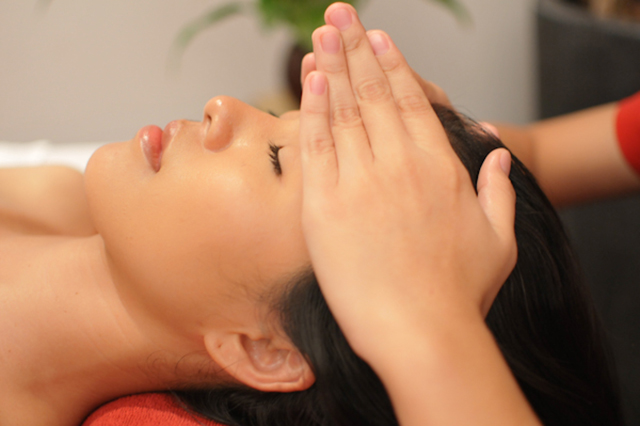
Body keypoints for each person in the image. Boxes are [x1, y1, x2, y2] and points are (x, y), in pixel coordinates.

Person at [0, 3, 626, 426]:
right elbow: (536, 153)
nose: (221, 106)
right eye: (281, 120)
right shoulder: (53, 196)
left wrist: (428, 312)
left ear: (266, 350)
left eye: (275, 160)